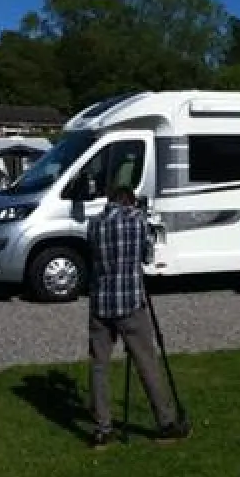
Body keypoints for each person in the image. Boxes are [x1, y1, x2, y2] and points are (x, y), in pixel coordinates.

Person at [85, 185, 192, 449]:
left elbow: (92, 257)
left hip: (101, 303)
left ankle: (102, 428)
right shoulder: (137, 222)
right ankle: (166, 422)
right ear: (130, 202)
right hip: (130, 303)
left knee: (99, 365)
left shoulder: (94, 224)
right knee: (146, 362)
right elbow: (146, 257)